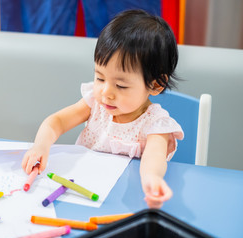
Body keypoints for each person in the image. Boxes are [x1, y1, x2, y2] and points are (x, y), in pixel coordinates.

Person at [21, 9, 184, 208]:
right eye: (100, 77)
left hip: (123, 202)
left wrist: (152, 180)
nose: (106, 92)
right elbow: (57, 122)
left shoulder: (155, 124)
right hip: (80, 194)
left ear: (156, 85)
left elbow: (154, 159)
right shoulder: (96, 104)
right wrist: (40, 146)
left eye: (121, 85)